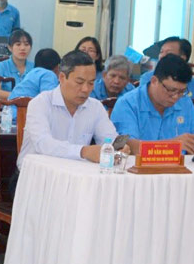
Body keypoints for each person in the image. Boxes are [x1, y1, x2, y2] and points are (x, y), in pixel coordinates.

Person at [11, 51, 130, 194]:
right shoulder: (40, 103)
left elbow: (110, 139)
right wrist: (83, 151)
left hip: (76, 180)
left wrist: (118, 149)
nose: (86, 89)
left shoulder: (95, 107)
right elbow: (43, 144)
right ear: (62, 77)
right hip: (34, 180)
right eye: (79, 82)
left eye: (91, 83)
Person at [110, 55, 194, 156]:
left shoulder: (185, 102)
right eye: (171, 90)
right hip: (139, 169)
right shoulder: (127, 104)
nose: (175, 97)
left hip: (177, 169)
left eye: (182, 91)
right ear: (154, 81)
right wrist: (173, 145)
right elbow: (129, 146)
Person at [138, 36, 194, 115]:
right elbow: (144, 104)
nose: (162, 56)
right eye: (161, 52)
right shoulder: (148, 78)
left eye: (168, 53)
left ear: (182, 58)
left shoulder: (190, 82)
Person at [0, 29, 33, 94]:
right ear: (10, 47)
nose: (23, 48)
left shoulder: (35, 68)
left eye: (26, 44)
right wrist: (18, 98)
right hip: (7, 103)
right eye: (18, 44)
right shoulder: (1, 67)